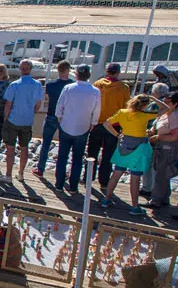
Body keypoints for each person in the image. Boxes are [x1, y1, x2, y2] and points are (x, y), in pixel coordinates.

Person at [101, 95, 156, 216]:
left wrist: (117, 135)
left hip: (123, 145)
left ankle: (106, 199)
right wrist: (156, 100)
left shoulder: (123, 112)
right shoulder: (145, 115)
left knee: (116, 174)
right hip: (139, 148)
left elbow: (106, 123)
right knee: (135, 179)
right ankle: (135, 207)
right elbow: (166, 110)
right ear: (144, 105)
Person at [54, 64, 102, 193]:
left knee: (62, 156)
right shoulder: (95, 91)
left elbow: (59, 106)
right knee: (77, 158)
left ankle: (59, 184)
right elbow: (96, 110)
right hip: (83, 126)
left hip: (66, 125)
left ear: (76, 74)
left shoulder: (68, 88)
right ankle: (73, 186)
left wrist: (60, 118)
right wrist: (93, 123)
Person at [0, 59, 45, 182]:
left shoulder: (14, 85)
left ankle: (8, 175)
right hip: (27, 120)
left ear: (20, 69)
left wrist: (5, 118)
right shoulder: (37, 85)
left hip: (13, 119)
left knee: (10, 148)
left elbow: (8, 104)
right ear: (30, 69)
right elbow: (38, 104)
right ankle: (20, 174)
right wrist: (32, 113)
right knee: (24, 147)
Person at [88, 63, 130, 191]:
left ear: (107, 72)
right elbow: (126, 108)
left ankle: (88, 177)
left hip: (97, 123)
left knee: (92, 152)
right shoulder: (124, 88)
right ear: (118, 72)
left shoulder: (97, 84)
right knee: (108, 155)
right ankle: (104, 181)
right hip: (113, 125)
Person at [146, 92, 178, 211]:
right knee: (161, 174)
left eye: (167, 102)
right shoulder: (165, 114)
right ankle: (163, 198)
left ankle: (156, 200)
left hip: (168, 149)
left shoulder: (175, 116)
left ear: (175, 104)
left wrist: (158, 137)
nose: (164, 103)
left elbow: (176, 136)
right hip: (160, 147)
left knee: (161, 174)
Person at [34, 60, 72, 176]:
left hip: (51, 115)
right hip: (65, 118)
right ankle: (61, 171)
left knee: (46, 143)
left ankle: (40, 168)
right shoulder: (71, 86)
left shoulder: (50, 85)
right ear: (68, 70)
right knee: (64, 146)